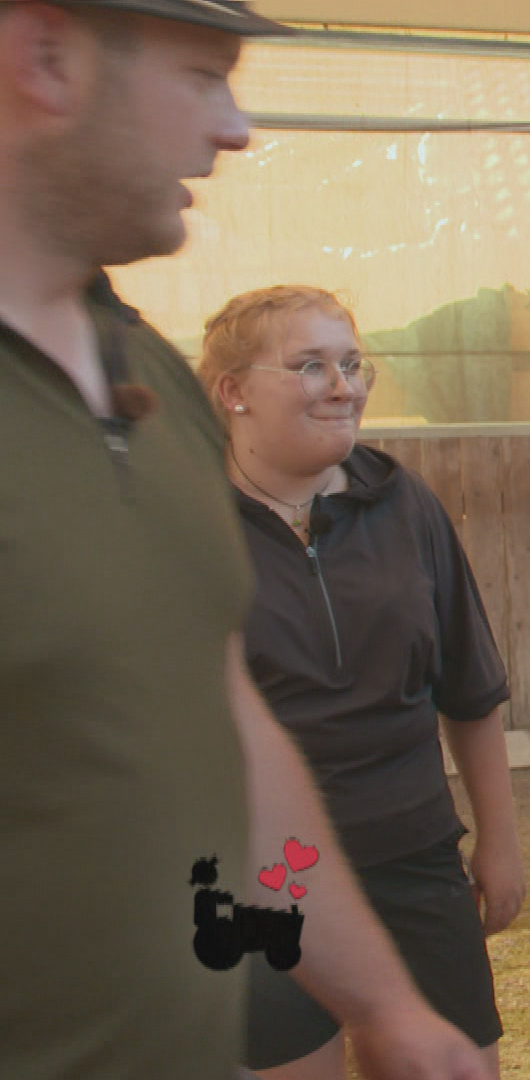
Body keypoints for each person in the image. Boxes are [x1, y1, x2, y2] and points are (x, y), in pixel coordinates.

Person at [0, 4, 491, 1078]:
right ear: (45, 58)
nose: (235, 129)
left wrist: (388, 1009)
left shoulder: (147, 378)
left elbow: (225, 722)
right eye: (200, 74)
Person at [198, 285, 524, 1079]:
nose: (344, 386)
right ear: (233, 392)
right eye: (311, 366)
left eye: (352, 364)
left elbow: (470, 690)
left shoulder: (404, 504)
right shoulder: (190, 524)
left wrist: (501, 843)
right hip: (262, 878)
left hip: (413, 857)